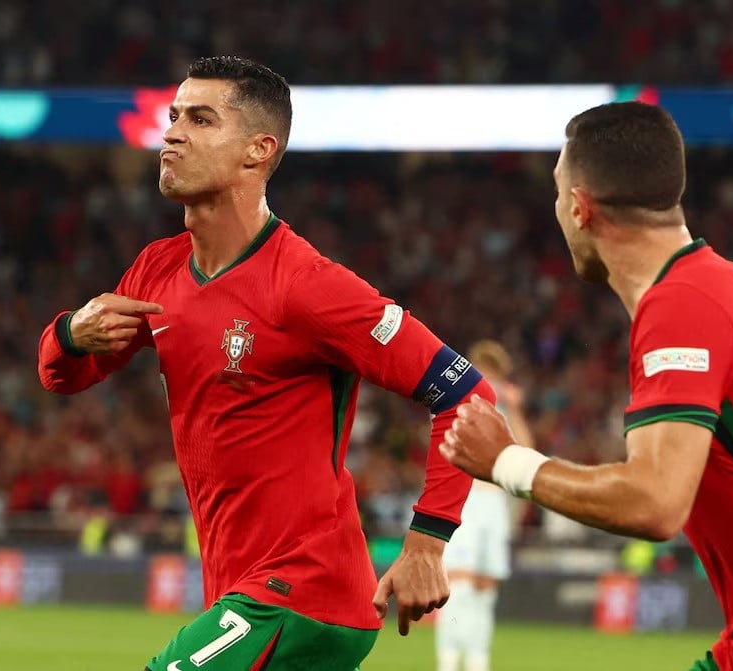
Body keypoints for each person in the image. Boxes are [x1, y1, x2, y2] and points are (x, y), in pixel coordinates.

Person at [38, 55, 495, 671]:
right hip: (238, 588)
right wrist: (70, 333)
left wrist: (426, 543)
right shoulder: (159, 271)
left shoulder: (307, 286)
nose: (172, 133)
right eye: (173, 116)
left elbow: (465, 392)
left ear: (258, 150)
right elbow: (62, 378)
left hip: (303, 591)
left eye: (200, 120)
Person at [440, 102, 733, 671]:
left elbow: (655, 501)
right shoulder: (721, 285)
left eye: (556, 194)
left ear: (579, 206)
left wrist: (506, 463)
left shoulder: (684, 305)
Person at [436, 340, 532, 671]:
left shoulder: (504, 413)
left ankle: (478, 662)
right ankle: (448, 663)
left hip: (496, 505)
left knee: (485, 590)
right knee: (458, 587)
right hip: (467, 501)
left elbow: (526, 453)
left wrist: (515, 409)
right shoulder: (460, 404)